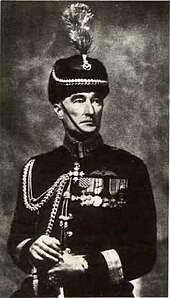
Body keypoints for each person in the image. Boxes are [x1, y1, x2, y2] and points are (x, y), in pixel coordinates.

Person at [7, 3, 156, 297]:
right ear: (58, 109)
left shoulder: (130, 168)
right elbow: (17, 241)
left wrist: (87, 266)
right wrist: (32, 247)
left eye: (97, 99)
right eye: (78, 99)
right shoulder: (36, 169)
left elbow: (144, 253)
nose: (90, 110)